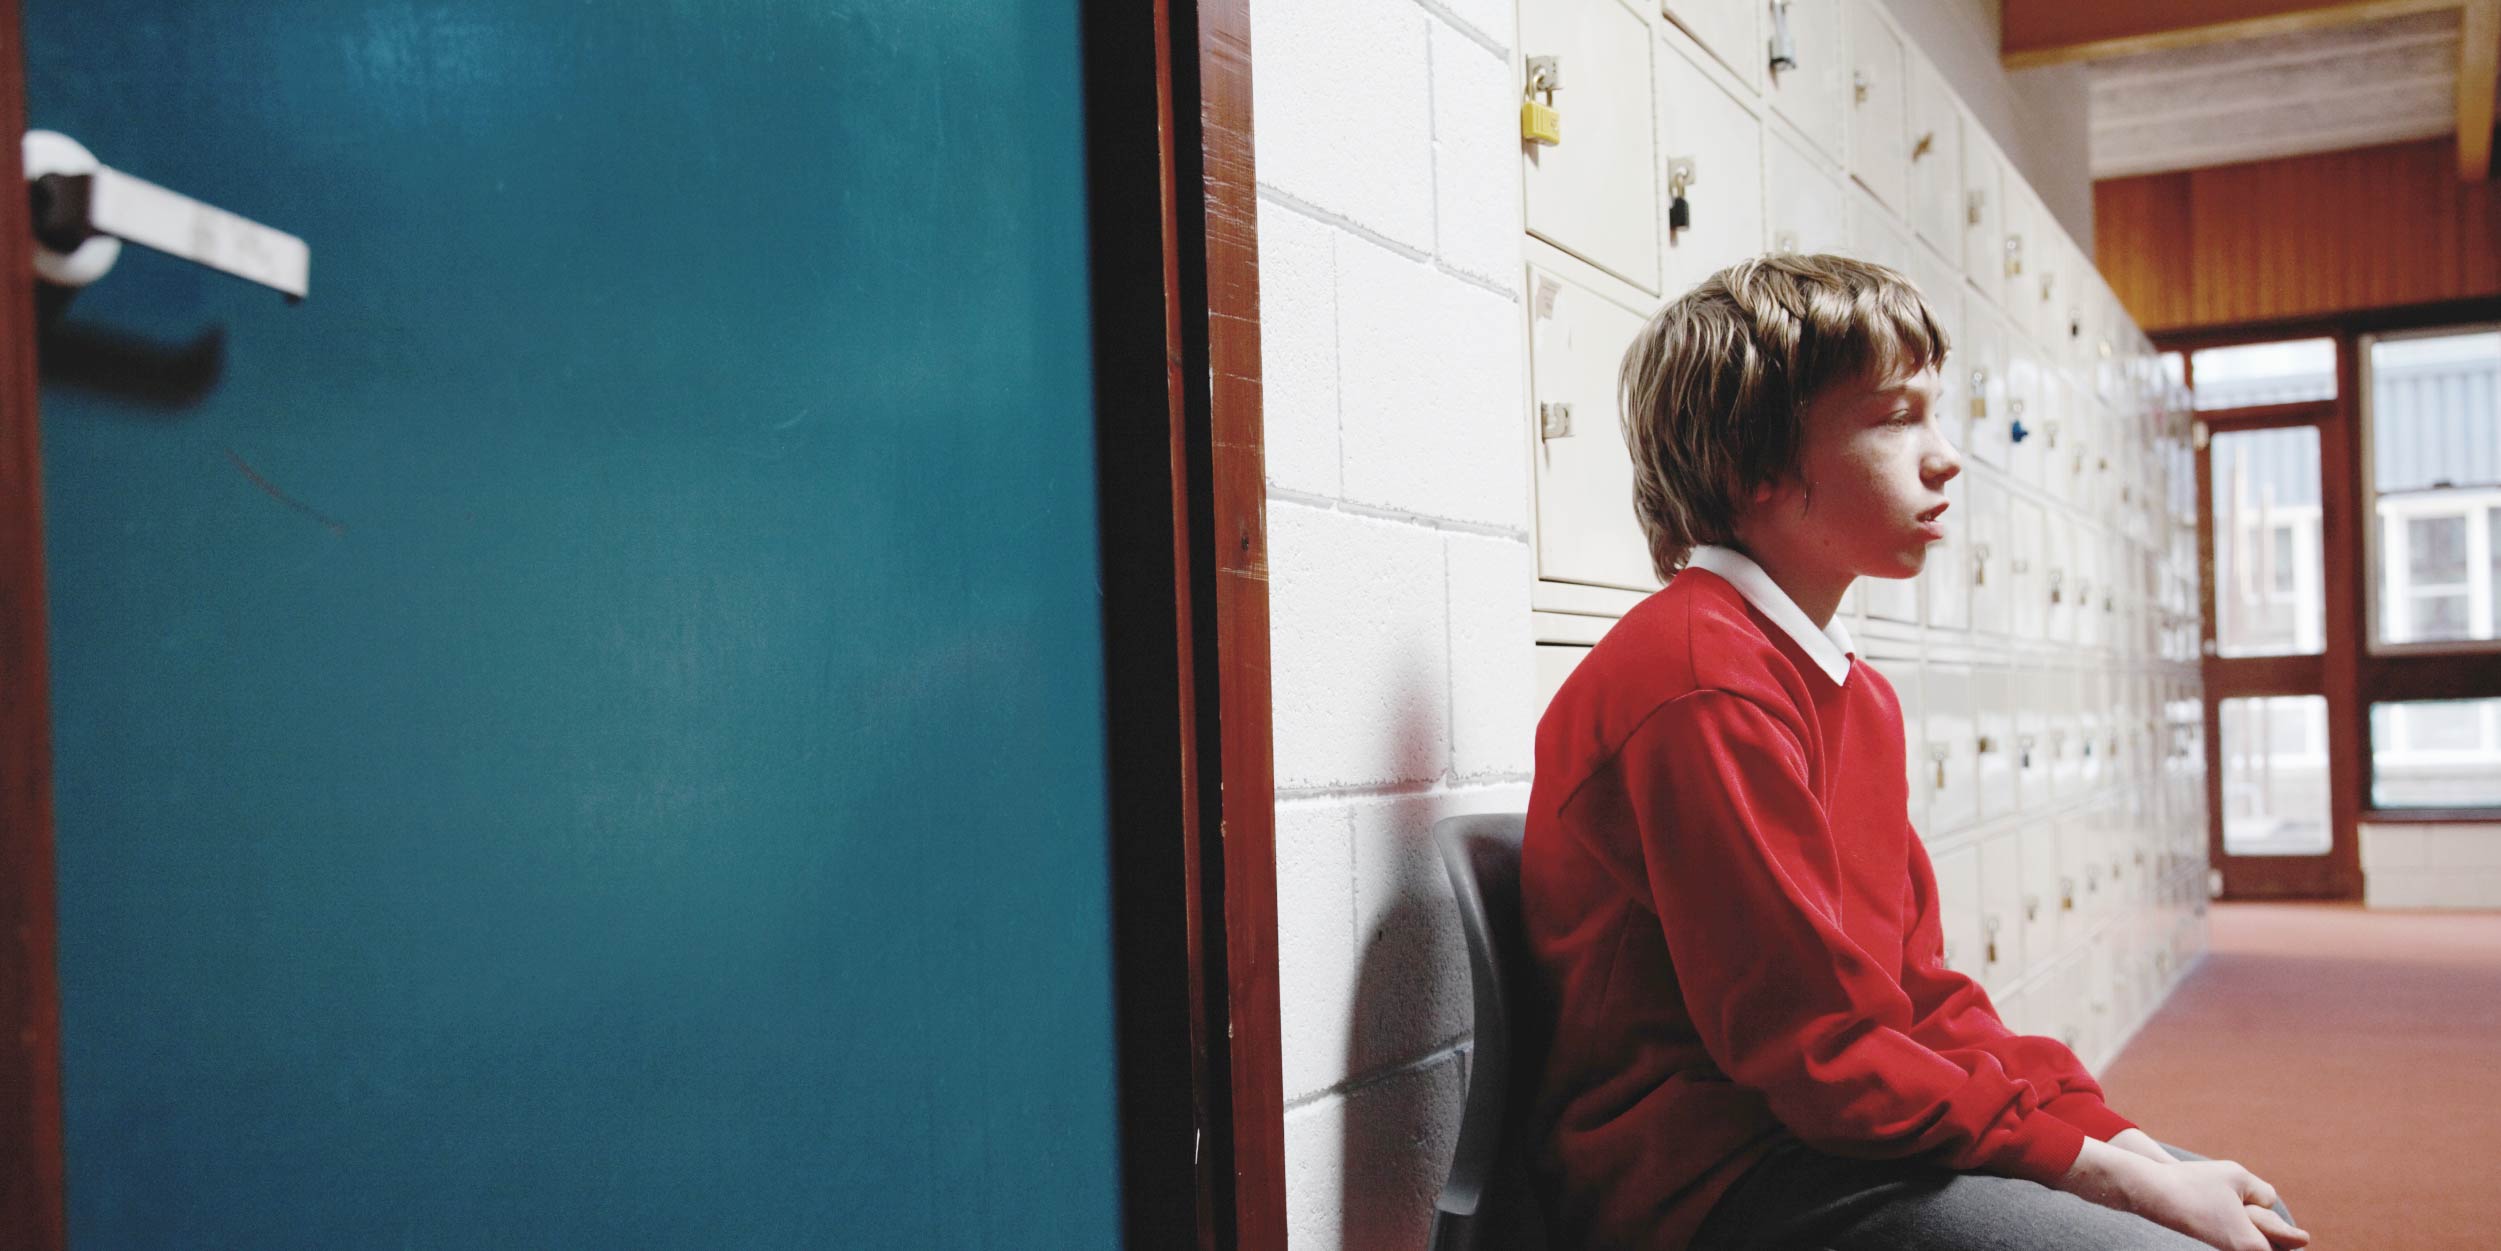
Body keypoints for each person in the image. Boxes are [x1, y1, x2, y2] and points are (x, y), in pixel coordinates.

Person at [1515, 254, 2308, 1251]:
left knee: (2244, 1215)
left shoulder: (1846, 687)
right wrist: (2107, 1183)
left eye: (1934, 414)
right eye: (1892, 418)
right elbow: (1819, 1053)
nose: (1943, 458)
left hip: (1819, 1139)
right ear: (1748, 462)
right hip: (1706, 1181)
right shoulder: (1698, 678)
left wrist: (2124, 1147)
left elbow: (1915, 995)